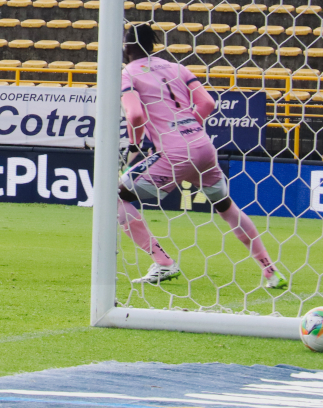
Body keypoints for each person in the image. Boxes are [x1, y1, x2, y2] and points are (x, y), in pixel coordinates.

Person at [118, 23, 286, 289]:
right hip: (203, 147)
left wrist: (135, 148)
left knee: (115, 198)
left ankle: (163, 262)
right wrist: (188, 127)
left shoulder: (128, 74)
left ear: (126, 49)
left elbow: (135, 115)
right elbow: (208, 103)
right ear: (152, 46)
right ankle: (270, 270)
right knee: (227, 207)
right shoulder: (177, 68)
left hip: (173, 154)